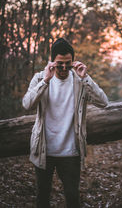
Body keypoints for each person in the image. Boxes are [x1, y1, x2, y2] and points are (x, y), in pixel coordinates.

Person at [22, 38, 108, 208]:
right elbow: (27, 104)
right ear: (52, 62)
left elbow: (103, 102)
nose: (63, 68)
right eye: (59, 64)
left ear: (73, 62)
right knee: (43, 197)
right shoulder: (40, 77)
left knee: (72, 198)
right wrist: (45, 81)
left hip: (71, 152)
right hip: (43, 150)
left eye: (67, 64)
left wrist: (86, 78)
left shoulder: (80, 81)